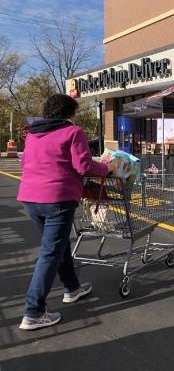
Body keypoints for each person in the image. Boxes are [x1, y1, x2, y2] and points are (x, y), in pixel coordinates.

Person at [17, 94, 111, 330]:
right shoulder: (72, 132)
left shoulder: (33, 133)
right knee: (50, 251)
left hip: (30, 197)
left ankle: (72, 287)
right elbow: (84, 166)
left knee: (59, 245)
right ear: (70, 113)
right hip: (58, 198)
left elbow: (25, 163)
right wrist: (107, 169)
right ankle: (34, 311)